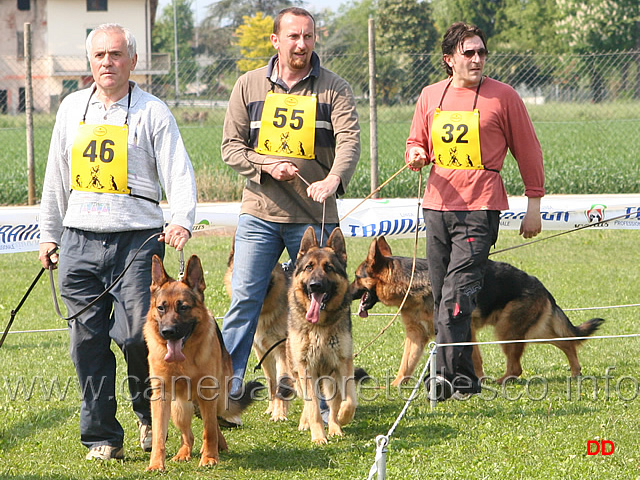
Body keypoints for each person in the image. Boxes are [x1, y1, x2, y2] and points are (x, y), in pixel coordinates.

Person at [38, 23, 197, 460]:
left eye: (116, 54)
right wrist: (50, 234)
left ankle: (149, 414)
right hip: (79, 241)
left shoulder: (153, 111)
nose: (107, 62)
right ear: (90, 63)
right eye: (99, 56)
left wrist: (181, 218)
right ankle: (102, 437)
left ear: (133, 60)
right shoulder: (71, 109)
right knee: (86, 343)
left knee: (134, 337)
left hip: (137, 242)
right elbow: (56, 175)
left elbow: (178, 170)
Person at [220, 7, 360, 425]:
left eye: (309, 36)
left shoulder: (334, 88)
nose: (301, 44)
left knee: (325, 307)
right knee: (244, 302)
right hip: (260, 214)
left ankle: (319, 407)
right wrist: (265, 165)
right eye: (293, 36)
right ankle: (224, 397)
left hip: (314, 218)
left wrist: (333, 180)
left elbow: (350, 142)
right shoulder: (248, 85)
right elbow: (230, 146)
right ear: (275, 40)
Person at [405, 22, 545, 400]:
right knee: (445, 297)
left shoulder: (504, 97)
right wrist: (416, 154)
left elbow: (528, 150)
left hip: (481, 208)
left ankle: (440, 381)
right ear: (449, 59)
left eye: (482, 52)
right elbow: (416, 141)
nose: (478, 59)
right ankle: (465, 381)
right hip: (436, 206)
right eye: (469, 53)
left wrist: (534, 204)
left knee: (456, 294)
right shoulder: (430, 96)